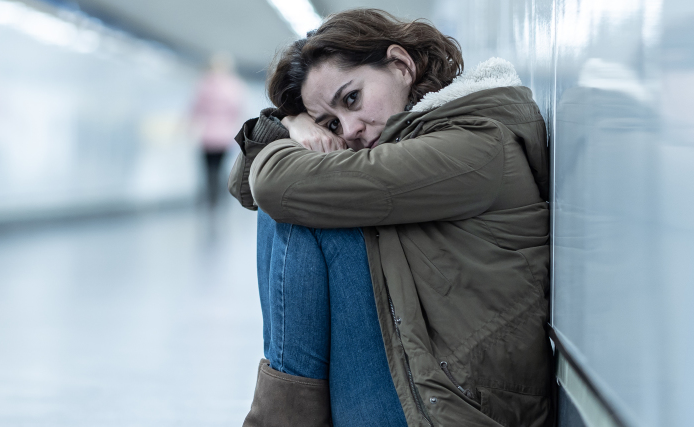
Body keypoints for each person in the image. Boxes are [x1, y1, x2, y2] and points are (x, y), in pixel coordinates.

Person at [229, 9, 553, 427]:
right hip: (426, 375)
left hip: (458, 407)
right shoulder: (410, 138)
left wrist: (292, 133)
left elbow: (272, 186)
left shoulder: (476, 144)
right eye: (329, 122)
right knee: (303, 199)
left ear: (401, 65)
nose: (348, 129)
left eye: (352, 99)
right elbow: (244, 186)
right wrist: (290, 122)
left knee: (300, 205)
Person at [190, 51, 246, 207]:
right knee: (220, 169)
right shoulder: (234, 85)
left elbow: (195, 108)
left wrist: (189, 126)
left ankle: (210, 198)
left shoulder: (204, 83)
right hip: (224, 136)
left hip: (207, 136)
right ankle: (218, 199)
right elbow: (237, 110)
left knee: (209, 170)